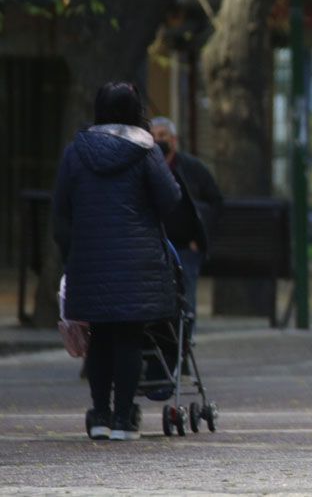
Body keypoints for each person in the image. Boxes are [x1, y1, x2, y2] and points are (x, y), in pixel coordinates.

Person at [52, 82, 182, 441]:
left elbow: (61, 208)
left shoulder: (76, 151)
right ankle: (124, 417)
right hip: (137, 263)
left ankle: (99, 413)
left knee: (100, 337)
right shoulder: (145, 150)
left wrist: (70, 253)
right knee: (128, 337)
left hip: (88, 259)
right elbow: (170, 199)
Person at [149, 117, 223, 316]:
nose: (158, 141)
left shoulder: (192, 169)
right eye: (153, 136)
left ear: (174, 140)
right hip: (153, 248)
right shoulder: (145, 168)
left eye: (162, 135)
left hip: (186, 248)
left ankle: (186, 342)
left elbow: (215, 202)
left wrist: (198, 238)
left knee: (186, 303)